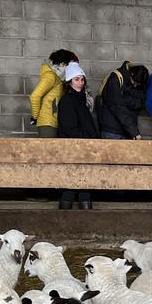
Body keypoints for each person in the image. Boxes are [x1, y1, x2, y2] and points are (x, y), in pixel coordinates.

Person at [57, 62, 98, 210]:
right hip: (74, 146)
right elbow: (69, 127)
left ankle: (82, 206)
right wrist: (88, 137)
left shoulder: (80, 99)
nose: (80, 83)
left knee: (83, 179)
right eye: (76, 79)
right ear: (69, 82)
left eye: (82, 79)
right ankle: (67, 211)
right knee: (73, 179)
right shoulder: (68, 100)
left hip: (83, 145)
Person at [29, 49, 78, 138]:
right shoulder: (50, 76)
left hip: (52, 121)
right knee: (48, 150)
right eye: (70, 66)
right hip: (47, 123)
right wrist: (35, 117)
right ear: (63, 64)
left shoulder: (57, 77)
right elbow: (34, 96)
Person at [97, 61, 149, 139]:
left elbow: (142, 99)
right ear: (131, 74)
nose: (135, 85)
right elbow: (117, 107)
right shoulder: (115, 79)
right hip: (112, 130)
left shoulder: (135, 81)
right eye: (134, 82)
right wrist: (134, 131)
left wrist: (124, 100)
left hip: (127, 130)